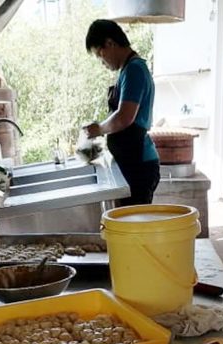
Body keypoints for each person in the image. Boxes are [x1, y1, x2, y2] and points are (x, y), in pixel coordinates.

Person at [83, 19, 160, 206]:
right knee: (131, 226)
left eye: (100, 55)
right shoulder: (128, 70)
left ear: (110, 43)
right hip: (133, 163)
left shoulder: (134, 70)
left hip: (139, 165)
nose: (102, 62)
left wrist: (99, 129)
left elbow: (124, 117)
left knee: (136, 228)